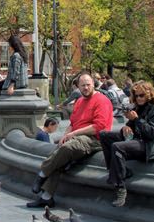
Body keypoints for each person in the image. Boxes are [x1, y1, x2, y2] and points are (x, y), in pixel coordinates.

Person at [27, 73, 113, 208]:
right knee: (60, 154)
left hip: (94, 139)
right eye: (82, 85)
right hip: (78, 136)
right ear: (77, 87)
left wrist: (73, 134)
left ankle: (42, 174)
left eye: (88, 84)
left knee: (67, 148)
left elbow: (99, 127)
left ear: (93, 84)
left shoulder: (102, 100)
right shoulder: (79, 102)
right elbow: (72, 123)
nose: (85, 88)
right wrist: (64, 136)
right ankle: (46, 197)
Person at [99, 81, 154, 207]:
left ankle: (120, 187)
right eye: (136, 96)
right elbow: (132, 127)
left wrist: (136, 119)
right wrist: (126, 127)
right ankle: (120, 170)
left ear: (149, 95)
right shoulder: (137, 108)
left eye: (141, 95)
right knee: (104, 135)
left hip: (151, 146)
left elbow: (152, 133)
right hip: (138, 140)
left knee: (117, 147)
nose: (138, 98)